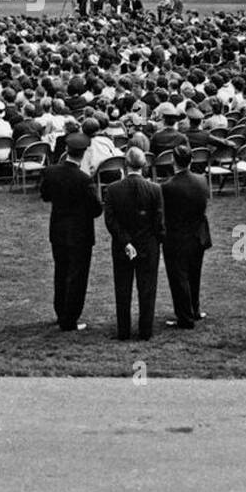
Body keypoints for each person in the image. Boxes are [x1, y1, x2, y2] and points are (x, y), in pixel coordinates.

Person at [38, 132, 103, 331]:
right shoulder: (84, 180)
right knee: (77, 276)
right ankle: (70, 318)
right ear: (83, 154)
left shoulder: (50, 172)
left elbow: (45, 196)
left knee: (61, 271)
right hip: (80, 232)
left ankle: (61, 313)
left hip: (58, 228)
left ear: (66, 150)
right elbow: (96, 209)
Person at [104, 146, 165, 341]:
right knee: (147, 289)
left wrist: (126, 242)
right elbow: (159, 221)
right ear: (144, 166)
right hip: (148, 245)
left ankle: (124, 331)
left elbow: (111, 221)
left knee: (122, 289)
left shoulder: (113, 189)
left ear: (125, 165)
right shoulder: (155, 189)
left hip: (123, 246)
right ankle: (145, 330)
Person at [160, 144, 211, 329]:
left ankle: (185, 317)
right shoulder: (202, 180)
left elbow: (164, 213)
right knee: (194, 274)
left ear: (173, 161)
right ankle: (194, 310)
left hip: (177, 237)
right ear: (191, 160)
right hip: (198, 234)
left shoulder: (167, 187)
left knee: (179, 277)